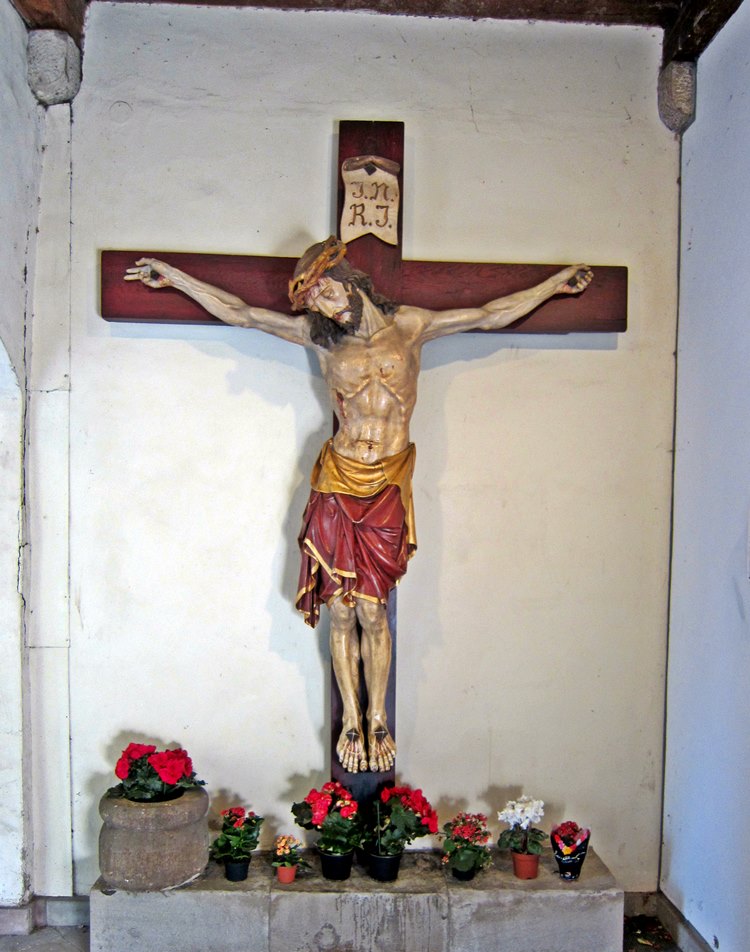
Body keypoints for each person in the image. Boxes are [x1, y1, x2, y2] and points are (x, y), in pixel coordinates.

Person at [125, 238, 592, 773]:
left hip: (386, 481)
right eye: (313, 303)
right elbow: (242, 314)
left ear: (347, 280)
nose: (322, 308)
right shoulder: (321, 340)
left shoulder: (411, 326)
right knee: (342, 610)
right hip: (338, 478)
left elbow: (489, 315)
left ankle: (378, 717)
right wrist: (175, 278)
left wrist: (554, 285)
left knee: (373, 609)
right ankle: (352, 717)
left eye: (323, 293)